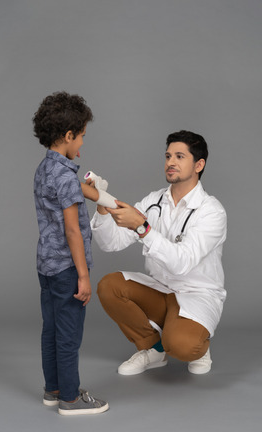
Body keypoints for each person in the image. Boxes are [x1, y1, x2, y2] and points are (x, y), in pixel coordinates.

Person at [90, 130, 227, 376]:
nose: (170, 162)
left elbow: (182, 263)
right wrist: (102, 205)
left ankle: (199, 343)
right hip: (160, 289)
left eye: (179, 156)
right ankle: (153, 349)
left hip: (196, 294)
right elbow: (111, 243)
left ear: (199, 164)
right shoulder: (153, 202)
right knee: (109, 286)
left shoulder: (211, 211)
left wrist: (142, 227)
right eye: (167, 156)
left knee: (183, 346)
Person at [33, 91, 109, 415]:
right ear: (68, 135)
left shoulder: (45, 169)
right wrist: (83, 276)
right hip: (67, 269)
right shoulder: (66, 177)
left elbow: (78, 190)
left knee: (50, 329)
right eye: (81, 138)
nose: (81, 145)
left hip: (45, 265)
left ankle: (53, 389)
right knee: (69, 335)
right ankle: (71, 398)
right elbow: (73, 230)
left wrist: (102, 195)